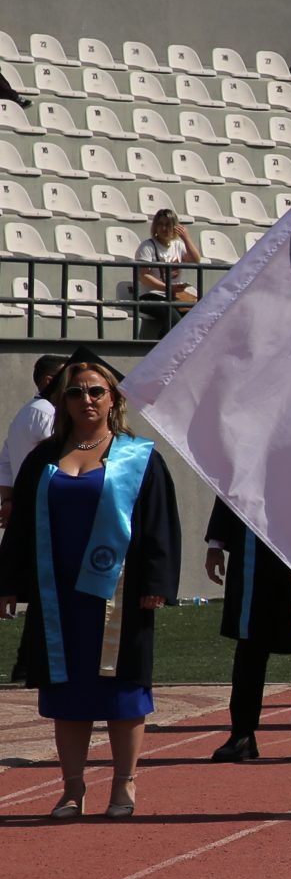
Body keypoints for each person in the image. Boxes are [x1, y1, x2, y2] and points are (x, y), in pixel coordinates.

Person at [0, 350, 181, 818]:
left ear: (114, 397)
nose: (86, 399)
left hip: (120, 593)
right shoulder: (44, 457)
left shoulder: (139, 457)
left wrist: (157, 581)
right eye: (75, 392)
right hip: (57, 594)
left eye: (96, 391)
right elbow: (20, 527)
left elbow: (159, 524)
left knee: (122, 690)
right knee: (67, 693)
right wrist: (8, 583)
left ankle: (124, 787)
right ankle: (72, 789)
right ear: (62, 400)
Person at [205, 499, 291, 762]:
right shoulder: (251, 454)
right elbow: (230, 473)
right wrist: (216, 543)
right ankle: (242, 735)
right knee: (251, 642)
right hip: (257, 544)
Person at [0, 353, 64, 528]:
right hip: (45, 509)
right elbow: (62, 458)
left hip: (25, 507)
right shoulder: (48, 413)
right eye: (67, 377)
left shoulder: (26, 411)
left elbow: (5, 463)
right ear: (49, 381)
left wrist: (7, 500)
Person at [133, 208, 201, 343]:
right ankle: (159, 353)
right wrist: (166, 288)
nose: (164, 228)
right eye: (160, 224)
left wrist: (186, 238)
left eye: (168, 225)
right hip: (150, 295)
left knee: (195, 315)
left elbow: (195, 260)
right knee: (173, 319)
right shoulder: (147, 246)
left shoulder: (178, 245)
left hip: (173, 295)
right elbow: (143, 276)